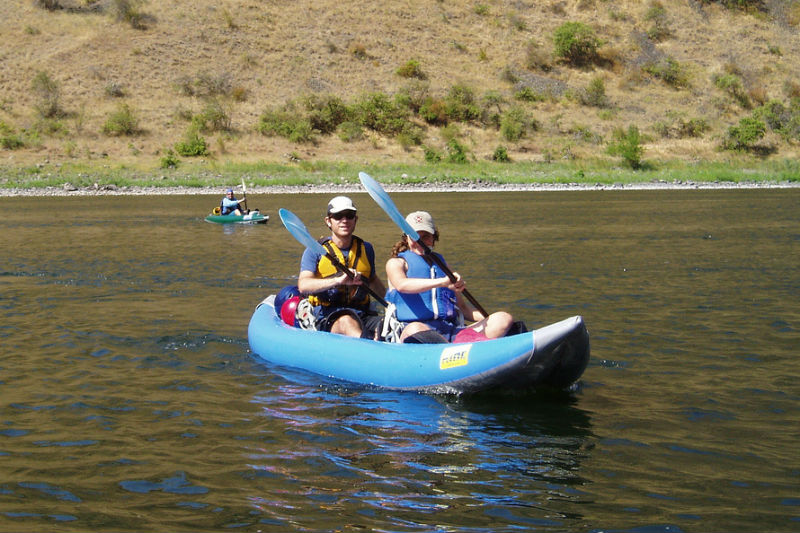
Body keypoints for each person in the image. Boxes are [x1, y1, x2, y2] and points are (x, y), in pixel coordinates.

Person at [385, 211, 515, 343]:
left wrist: (489, 318)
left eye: (425, 237)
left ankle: (458, 349)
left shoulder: (443, 266)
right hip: (416, 332)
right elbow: (402, 285)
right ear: (406, 238)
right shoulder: (396, 263)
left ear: (433, 238)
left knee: (503, 318)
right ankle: (455, 351)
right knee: (415, 328)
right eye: (415, 237)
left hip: (449, 331)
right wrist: (442, 282)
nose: (420, 242)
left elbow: (464, 310)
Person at [297, 196, 386, 338]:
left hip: (362, 312)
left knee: (387, 325)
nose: (344, 220)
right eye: (338, 216)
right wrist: (338, 280)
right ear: (328, 221)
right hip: (327, 314)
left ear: (355, 220)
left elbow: (373, 280)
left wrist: (391, 303)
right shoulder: (314, 250)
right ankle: (367, 350)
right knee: (347, 322)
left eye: (349, 216)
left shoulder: (366, 249)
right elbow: (303, 285)